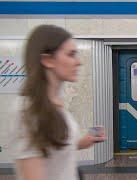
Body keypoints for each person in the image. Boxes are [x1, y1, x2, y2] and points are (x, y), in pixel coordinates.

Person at [10, 25, 105, 180]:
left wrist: (82, 142)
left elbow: (52, 151)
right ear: (48, 60)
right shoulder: (28, 111)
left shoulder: (54, 105)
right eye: (71, 54)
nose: (78, 62)